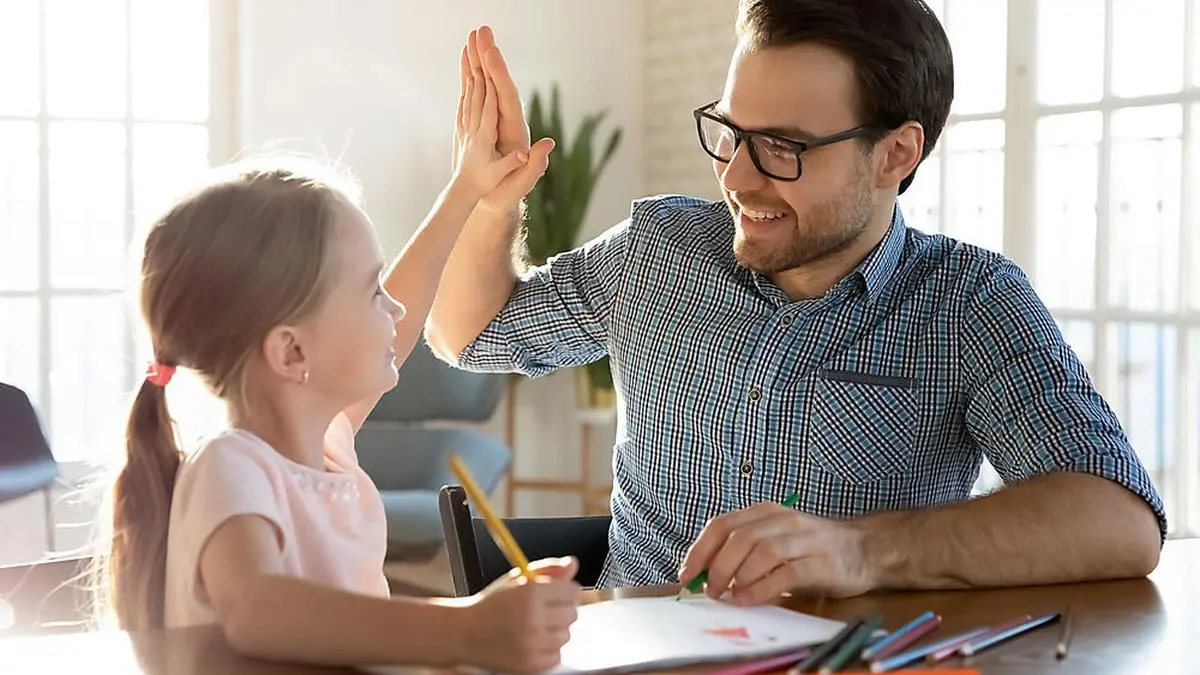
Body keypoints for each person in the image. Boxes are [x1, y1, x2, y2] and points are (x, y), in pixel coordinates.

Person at [427, 5, 1166, 606]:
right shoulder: (656, 249)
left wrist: (859, 548)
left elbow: (1119, 521)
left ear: (895, 155)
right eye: (731, 133)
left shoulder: (969, 304)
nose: (739, 178)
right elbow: (469, 334)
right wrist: (493, 204)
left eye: (783, 147)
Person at [103, 58, 578, 673]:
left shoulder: (322, 445)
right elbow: (260, 611)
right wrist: (462, 629)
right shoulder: (231, 466)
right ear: (292, 353)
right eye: (370, 290)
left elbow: (402, 324)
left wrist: (467, 190)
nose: (396, 306)